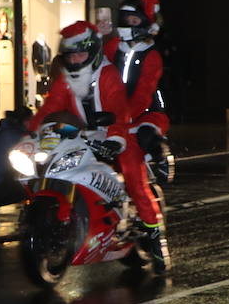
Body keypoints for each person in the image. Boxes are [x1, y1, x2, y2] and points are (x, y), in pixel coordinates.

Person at [30, 20, 168, 271]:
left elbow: (119, 110)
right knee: (47, 162)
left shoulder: (108, 75)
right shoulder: (66, 79)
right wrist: (29, 133)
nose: (75, 60)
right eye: (70, 56)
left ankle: (156, 243)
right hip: (80, 133)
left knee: (135, 181)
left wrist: (115, 139)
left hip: (117, 133)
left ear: (93, 51)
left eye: (81, 54)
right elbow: (50, 108)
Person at [104, 0, 171, 170]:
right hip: (114, 111)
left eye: (133, 21)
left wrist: (124, 116)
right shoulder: (112, 46)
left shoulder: (151, 55)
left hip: (147, 111)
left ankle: (159, 157)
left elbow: (144, 92)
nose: (128, 25)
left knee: (145, 135)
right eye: (125, 20)